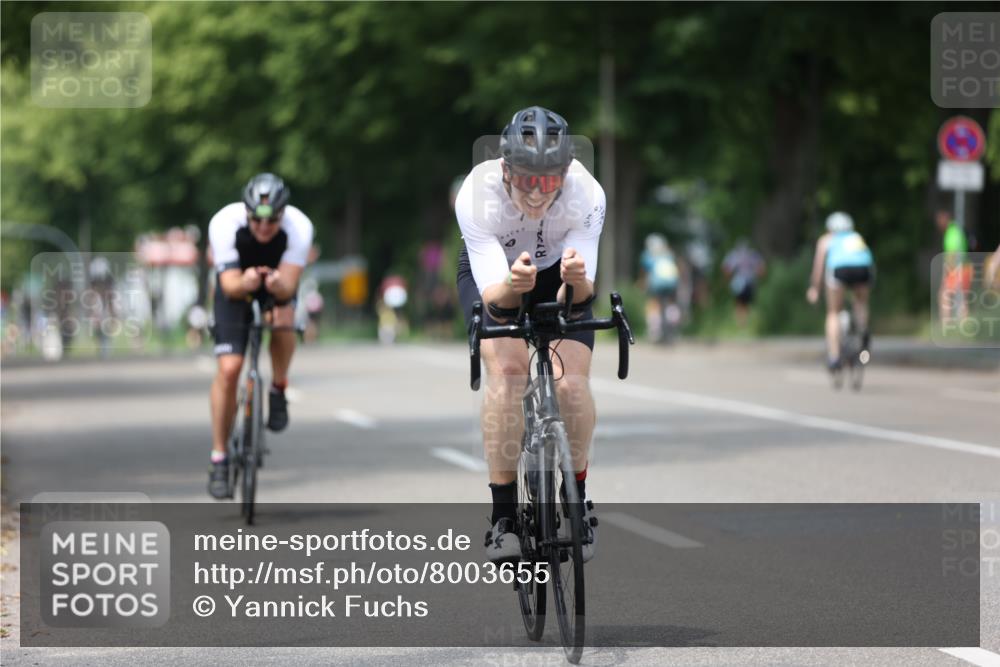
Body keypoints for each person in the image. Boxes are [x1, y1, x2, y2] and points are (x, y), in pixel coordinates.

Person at [455, 106, 605, 562]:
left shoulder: (588, 193)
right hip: (498, 277)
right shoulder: (476, 195)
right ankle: (503, 517)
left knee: (572, 384)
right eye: (526, 179)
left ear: (565, 172)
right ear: (505, 168)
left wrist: (575, 279)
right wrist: (512, 287)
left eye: (549, 179)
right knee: (508, 371)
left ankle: (576, 498)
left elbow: (578, 298)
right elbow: (496, 297)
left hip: (561, 275)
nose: (537, 192)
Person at [206, 173, 314, 499]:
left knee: (284, 317)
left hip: (276, 285)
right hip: (236, 285)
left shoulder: (299, 226)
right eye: (256, 219)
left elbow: (291, 285)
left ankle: (279, 388)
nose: (264, 228)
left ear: (283, 214)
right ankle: (220, 458)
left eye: (272, 221)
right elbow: (227, 285)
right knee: (229, 369)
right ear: (246, 211)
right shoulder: (224, 222)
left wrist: (276, 284)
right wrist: (247, 282)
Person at [806, 211, 874, 372]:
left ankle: (834, 357)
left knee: (833, 312)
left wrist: (815, 288)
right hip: (863, 270)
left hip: (839, 270)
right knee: (861, 302)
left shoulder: (826, 240)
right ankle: (863, 328)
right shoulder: (856, 237)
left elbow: (818, 268)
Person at [639, 233, 681, 343]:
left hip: (657, 284)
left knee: (655, 305)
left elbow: (645, 271)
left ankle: (657, 332)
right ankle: (671, 330)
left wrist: (643, 283)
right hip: (672, 283)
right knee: (670, 305)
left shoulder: (648, 255)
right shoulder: (668, 253)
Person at [936, 209, 971, 322]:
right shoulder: (955, 230)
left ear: (945, 219)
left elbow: (952, 255)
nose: (938, 224)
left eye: (939, 221)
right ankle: (962, 324)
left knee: (944, 295)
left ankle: (946, 323)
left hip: (958, 269)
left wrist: (945, 275)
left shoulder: (952, 232)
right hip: (964, 268)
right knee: (961, 298)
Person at [722, 239, 766, 326]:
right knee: (745, 302)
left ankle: (741, 322)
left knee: (740, 302)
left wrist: (728, 279)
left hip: (739, 282)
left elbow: (726, 268)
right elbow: (761, 269)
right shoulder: (752, 255)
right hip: (749, 282)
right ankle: (743, 321)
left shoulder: (734, 255)